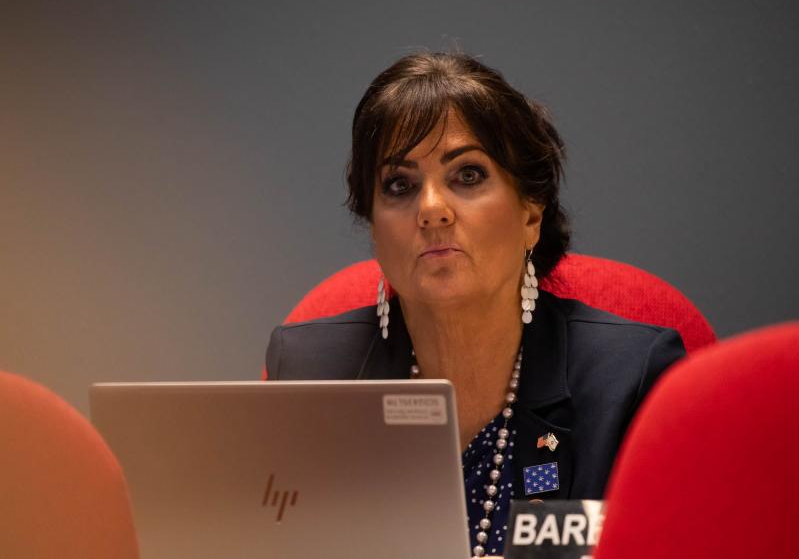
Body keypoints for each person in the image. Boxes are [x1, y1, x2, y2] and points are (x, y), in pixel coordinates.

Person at [264, 52, 685, 558]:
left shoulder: (628, 381)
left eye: (467, 175)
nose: (432, 209)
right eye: (400, 185)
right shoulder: (311, 375)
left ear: (531, 214)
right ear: (374, 228)